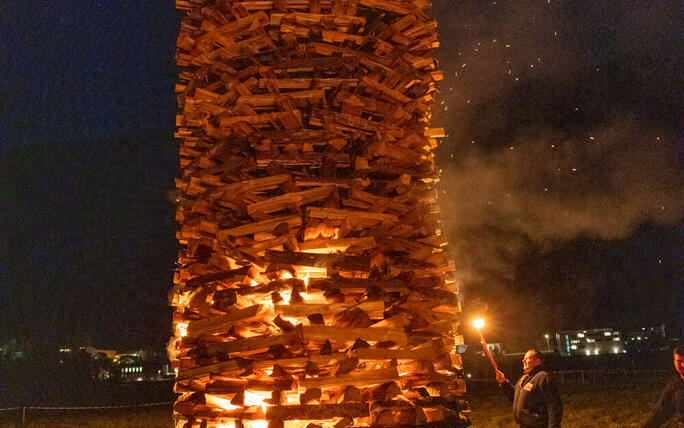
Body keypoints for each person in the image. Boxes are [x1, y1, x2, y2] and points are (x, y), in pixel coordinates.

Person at [495, 349, 562, 428]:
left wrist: (553, 426)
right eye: (524, 358)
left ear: (537, 361)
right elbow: (515, 397)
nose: (523, 360)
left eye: (527, 358)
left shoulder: (543, 377)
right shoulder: (523, 379)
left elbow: (554, 405)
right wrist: (503, 382)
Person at [643, 345, 684, 427]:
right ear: (674, 361)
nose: (683, 365)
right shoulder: (674, 387)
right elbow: (661, 413)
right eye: (679, 361)